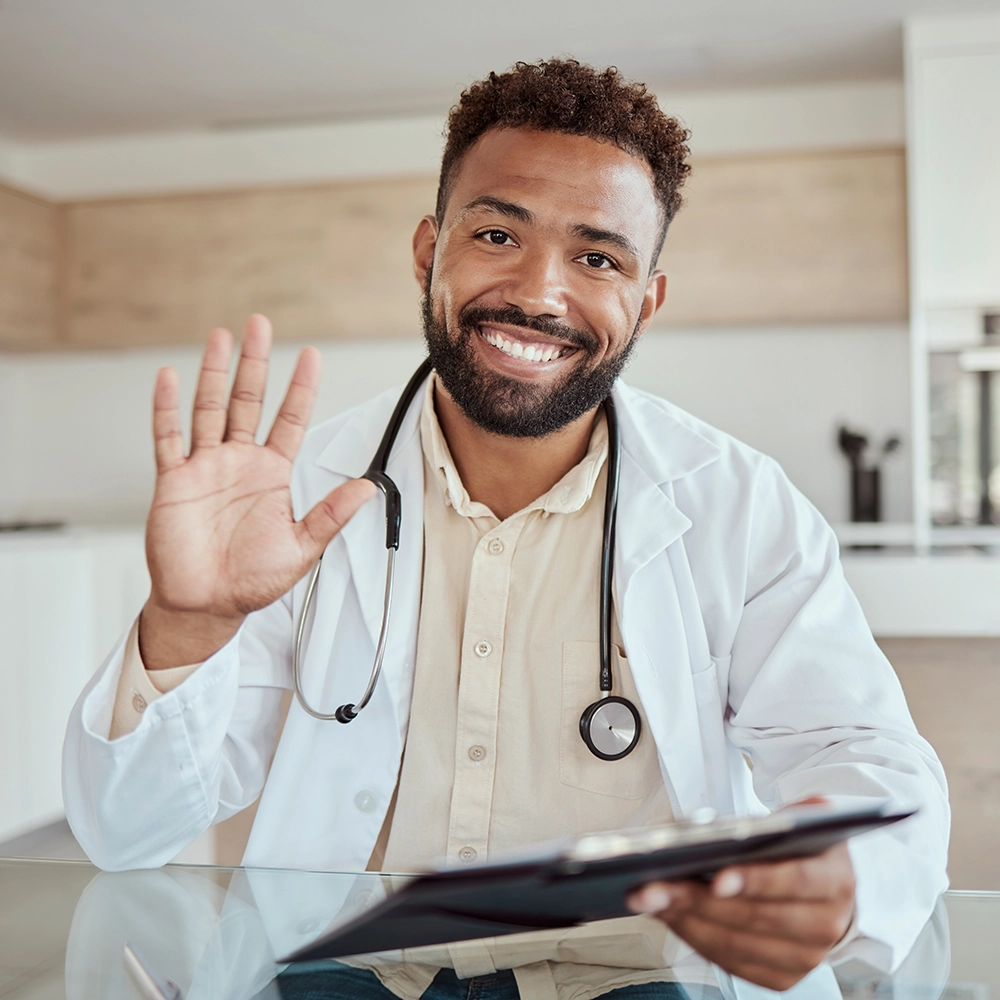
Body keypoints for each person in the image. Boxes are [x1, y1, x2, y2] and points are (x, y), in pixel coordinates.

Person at [63, 59, 949, 997]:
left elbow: (859, 751)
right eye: (497, 233)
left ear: (646, 300)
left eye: (598, 257)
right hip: (345, 973)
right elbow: (126, 832)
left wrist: (840, 876)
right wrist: (187, 627)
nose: (540, 293)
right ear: (427, 252)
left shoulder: (739, 505)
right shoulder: (300, 498)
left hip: (632, 982)